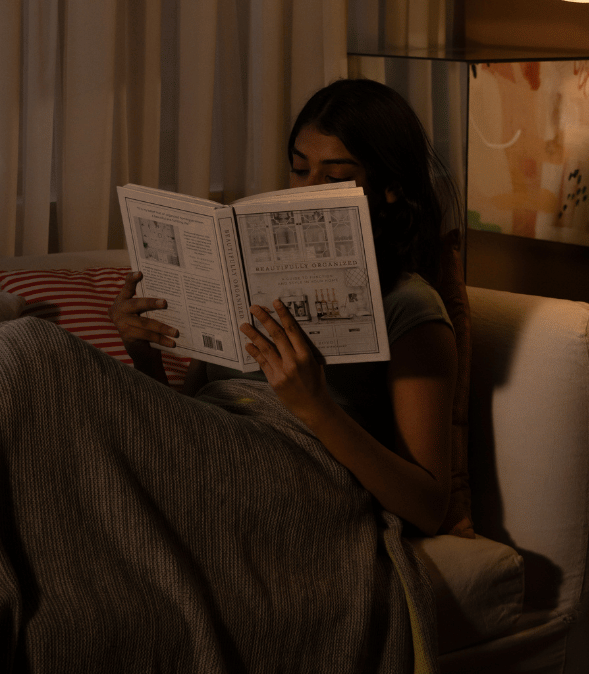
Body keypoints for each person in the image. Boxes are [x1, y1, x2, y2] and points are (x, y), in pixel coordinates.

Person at [108, 78, 459, 538]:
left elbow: (430, 507)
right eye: (299, 170)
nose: (306, 189)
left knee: (32, 353)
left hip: (295, 480)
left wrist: (317, 407)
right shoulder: (251, 278)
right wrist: (144, 354)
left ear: (388, 189)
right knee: (34, 363)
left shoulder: (409, 305)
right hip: (207, 457)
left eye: (333, 177)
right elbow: (186, 420)